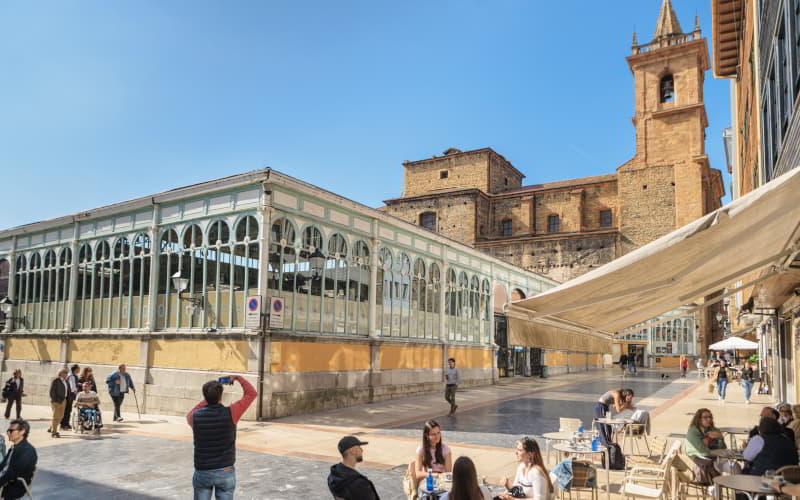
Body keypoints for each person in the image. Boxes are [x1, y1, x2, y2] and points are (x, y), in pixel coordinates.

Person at [186, 375, 256, 500]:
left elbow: (193, 411)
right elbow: (251, 394)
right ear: (221, 396)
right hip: (225, 470)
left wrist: (209, 397)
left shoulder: (194, 417)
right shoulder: (232, 412)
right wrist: (238, 378)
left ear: (205, 396)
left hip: (203, 470)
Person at [328, 435, 380, 500]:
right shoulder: (360, 484)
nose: (362, 450)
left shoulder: (333, 476)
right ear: (353, 451)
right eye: (359, 447)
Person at [685, 408, 726, 485]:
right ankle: (715, 486)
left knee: (733, 466)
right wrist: (718, 452)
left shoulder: (714, 429)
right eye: (705, 417)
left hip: (714, 458)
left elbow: (723, 448)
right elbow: (703, 451)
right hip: (698, 459)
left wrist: (720, 438)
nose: (709, 419)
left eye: (710, 417)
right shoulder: (693, 431)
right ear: (699, 419)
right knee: (720, 468)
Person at [0, 419, 37, 500]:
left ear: (22, 432)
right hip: (7, 481)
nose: (8, 433)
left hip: (15, 486)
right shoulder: (14, 448)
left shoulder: (27, 451)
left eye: (11, 431)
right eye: (8, 431)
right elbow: (2, 466)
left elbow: (12, 473)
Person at [412, 420, 453, 489]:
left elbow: (448, 473)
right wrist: (435, 475)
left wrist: (439, 477)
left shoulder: (446, 449)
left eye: (438, 433)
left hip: (442, 482)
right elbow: (418, 474)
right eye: (433, 434)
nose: (437, 436)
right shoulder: (421, 450)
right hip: (428, 481)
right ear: (427, 435)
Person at [48, 368, 68, 438]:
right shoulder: (56, 380)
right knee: (56, 417)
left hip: (63, 400)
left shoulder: (65, 381)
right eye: (65, 373)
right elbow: (51, 391)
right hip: (57, 401)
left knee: (61, 416)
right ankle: (54, 432)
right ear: (61, 373)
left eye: (66, 373)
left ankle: (52, 427)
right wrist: (55, 400)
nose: (66, 374)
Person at [60, 364, 80, 431]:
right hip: (69, 396)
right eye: (78, 369)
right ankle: (64, 424)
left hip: (68, 396)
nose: (79, 370)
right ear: (75, 369)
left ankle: (66, 423)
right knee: (67, 410)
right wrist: (77, 394)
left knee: (67, 410)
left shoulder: (71, 375)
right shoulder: (72, 376)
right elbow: (72, 387)